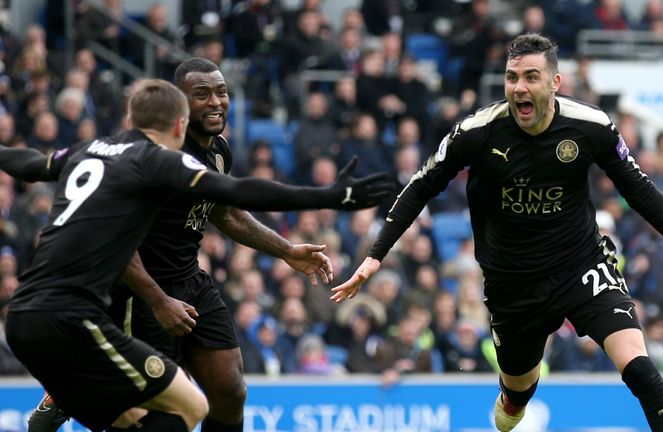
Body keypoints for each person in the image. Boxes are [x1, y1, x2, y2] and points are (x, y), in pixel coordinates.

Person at [330, 33, 663, 432]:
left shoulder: (590, 126)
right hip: (512, 282)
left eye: (531, 77)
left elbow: (639, 190)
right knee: (517, 400)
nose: (518, 88)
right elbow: (422, 185)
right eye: (511, 77)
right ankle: (512, 397)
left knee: (639, 367)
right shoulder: (477, 132)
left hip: (581, 265)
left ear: (555, 83)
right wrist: (375, 255)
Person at [27, 57, 394, 432]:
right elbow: (115, 243)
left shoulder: (218, 151)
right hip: (139, 291)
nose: (216, 101)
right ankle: (71, 389)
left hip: (191, 280)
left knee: (230, 392)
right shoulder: (152, 160)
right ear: (180, 104)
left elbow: (227, 215)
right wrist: (159, 301)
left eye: (221, 92)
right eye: (202, 94)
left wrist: (286, 250)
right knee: (160, 415)